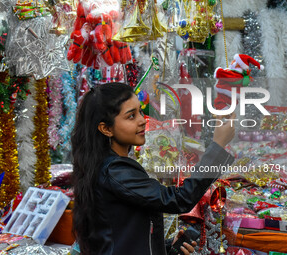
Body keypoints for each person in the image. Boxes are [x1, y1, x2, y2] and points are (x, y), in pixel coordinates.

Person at [71, 83, 235, 255]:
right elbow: (179, 199)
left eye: (140, 111)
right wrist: (218, 146)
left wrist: (166, 247)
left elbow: (123, 235)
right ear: (106, 129)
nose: (142, 120)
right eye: (131, 116)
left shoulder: (108, 167)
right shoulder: (114, 171)